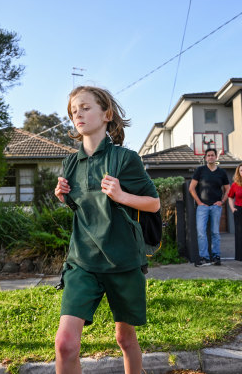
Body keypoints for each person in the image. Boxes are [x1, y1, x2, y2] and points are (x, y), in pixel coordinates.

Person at [54, 86, 160, 374]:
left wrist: (122, 196)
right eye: (74, 111)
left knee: (124, 338)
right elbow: (84, 205)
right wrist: (63, 196)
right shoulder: (69, 163)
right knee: (65, 344)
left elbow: (154, 203)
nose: (78, 114)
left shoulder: (126, 159)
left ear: (106, 114)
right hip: (82, 262)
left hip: (122, 261)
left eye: (85, 108)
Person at [188, 148, 230, 266]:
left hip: (216, 207)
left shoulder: (221, 172)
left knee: (215, 232)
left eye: (213, 155)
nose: (211, 157)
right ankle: (204, 257)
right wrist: (199, 202)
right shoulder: (200, 170)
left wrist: (222, 201)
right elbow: (191, 188)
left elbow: (228, 189)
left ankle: (216, 256)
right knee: (201, 232)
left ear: (216, 157)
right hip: (202, 207)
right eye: (208, 155)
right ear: (206, 158)